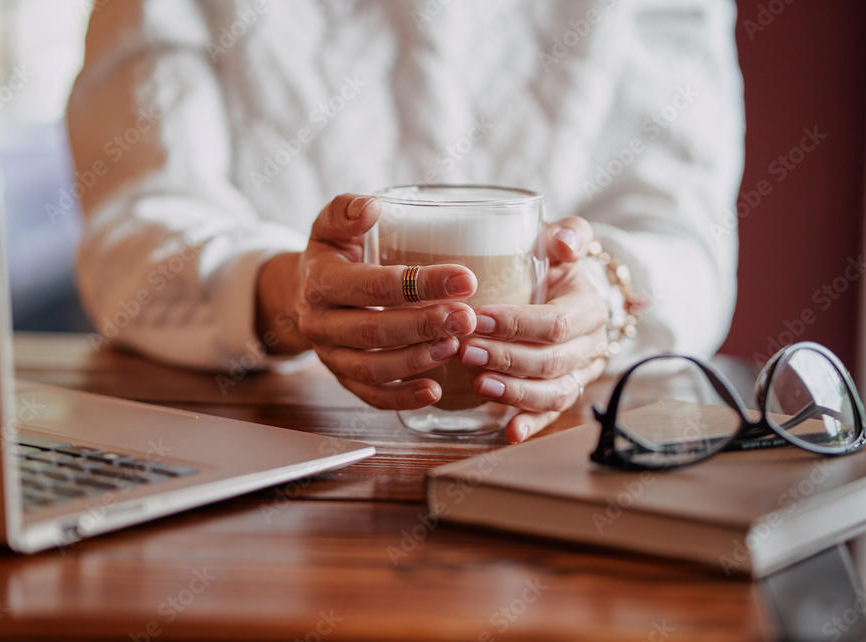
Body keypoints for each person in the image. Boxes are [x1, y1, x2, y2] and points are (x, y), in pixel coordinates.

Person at [66, 0, 744, 443]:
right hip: (275, 444)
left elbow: (688, 238)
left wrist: (599, 299)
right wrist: (291, 295)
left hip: (553, 449)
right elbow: (133, 230)